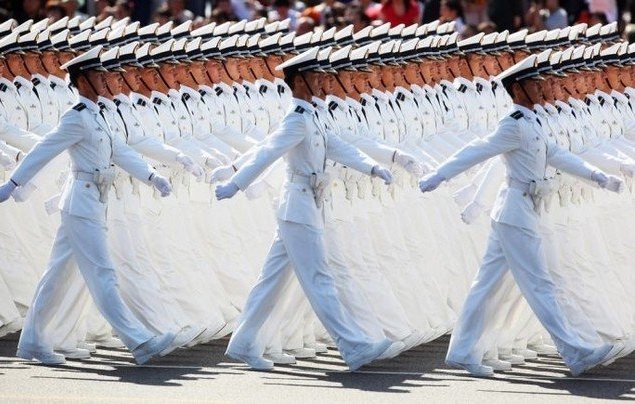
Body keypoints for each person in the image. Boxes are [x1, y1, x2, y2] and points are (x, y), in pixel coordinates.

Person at [419, 54, 627, 377]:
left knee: (485, 286)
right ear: (518, 89)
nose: (542, 88)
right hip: (516, 211)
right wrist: (439, 175)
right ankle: (576, 352)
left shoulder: (533, 121)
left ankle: (462, 350)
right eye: (534, 84)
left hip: (520, 210)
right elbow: (478, 150)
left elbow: (558, 155)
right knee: (540, 284)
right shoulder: (513, 124)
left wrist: (597, 176)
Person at [214, 47, 404, 371]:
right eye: (315, 76)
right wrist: (236, 183)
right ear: (300, 80)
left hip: (306, 206)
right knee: (320, 279)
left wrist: (372, 167)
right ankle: (355, 347)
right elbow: (268, 152)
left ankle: (244, 342)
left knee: (271, 280)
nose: (321, 80)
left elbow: (336, 147)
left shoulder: (314, 114)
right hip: (298, 207)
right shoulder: (297, 118)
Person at [0, 45, 180, 366]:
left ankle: (33, 341)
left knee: (56, 277)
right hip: (81, 203)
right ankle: (139, 340)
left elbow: (120, 151)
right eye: (97, 75)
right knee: (103, 273)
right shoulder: (75, 117)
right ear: (83, 80)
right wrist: (13, 183)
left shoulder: (96, 116)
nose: (105, 79)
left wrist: (152, 175)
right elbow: (43, 150)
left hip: (92, 202)